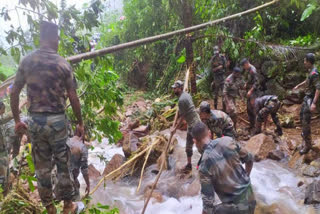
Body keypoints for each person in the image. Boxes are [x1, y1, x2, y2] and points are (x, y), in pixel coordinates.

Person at [10, 21, 84, 214]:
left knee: (41, 166)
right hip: (58, 121)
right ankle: (68, 205)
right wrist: (80, 123)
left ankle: (49, 207)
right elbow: (73, 97)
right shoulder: (62, 64)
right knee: (63, 163)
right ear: (52, 38)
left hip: (35, 121)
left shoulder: (27, 62)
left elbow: (14, 92)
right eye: (57, 39)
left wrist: (18, 120)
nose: (58, 42)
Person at [192, 122, 256, 214]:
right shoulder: (228, 140)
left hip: (238, 209)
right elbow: (250, 159)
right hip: (251, 198)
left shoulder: (204, 166)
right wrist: (246, 176)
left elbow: (208, 205)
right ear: (209, 133)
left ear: (195, 141)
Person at [171, 80, 201, 173]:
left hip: (194, 125)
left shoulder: (181, 100)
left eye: (175, 88)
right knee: (189, 146)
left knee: (199, 146)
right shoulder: (186, 95)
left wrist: (174, 129)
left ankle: (209, 162)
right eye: (173, 88)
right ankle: (189, 165)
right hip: (194, 122)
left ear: (180, 88)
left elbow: (182, 117)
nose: (174, 90)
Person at [293, 53, 320, 154]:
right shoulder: (311, 72)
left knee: (306, 122)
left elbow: (318, 88)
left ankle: (308, 145)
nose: (304, 62)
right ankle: (305, 140)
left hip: (310, 100)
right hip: (306, 98)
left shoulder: (315, 73)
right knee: (301, 118)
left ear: (309, 62)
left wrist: (314, 103)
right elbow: (307, 80)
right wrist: (298, 85)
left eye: (305, 61)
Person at [241, 58, 264, 130]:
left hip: (254, 92)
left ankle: (256, 127)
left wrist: (250, 91)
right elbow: (250, 79)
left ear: (246, 64)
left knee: (254, 109)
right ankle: (251, 125)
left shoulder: (253, 71)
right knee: (249, 109)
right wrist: (246, 83)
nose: (244, 68)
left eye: (244, 66)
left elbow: (257, 83)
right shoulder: (248, 69)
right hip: (250, 91)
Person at [210, 46, 227, 110]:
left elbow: (225, 67)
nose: (216, 54)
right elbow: (212, 70)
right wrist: (218, 68)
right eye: (215, 53)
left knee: (224, 94)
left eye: (217, 52)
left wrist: (222, 69)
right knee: (216, 94)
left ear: (219, 50)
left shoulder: (222, 58)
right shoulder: (213, 59)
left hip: (222, 77)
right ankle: (215, 108)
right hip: (216, 78)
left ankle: (224, 109)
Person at [0, 101, 9, 195]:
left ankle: (5, 196)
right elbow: (6, 118)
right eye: (3, 110)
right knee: (2, 179)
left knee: (6, 177)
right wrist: (20, 105)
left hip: (4, 152)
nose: (3, 112)